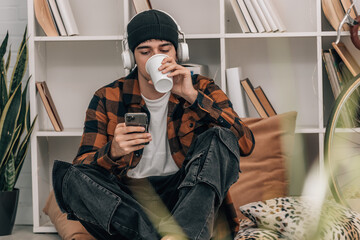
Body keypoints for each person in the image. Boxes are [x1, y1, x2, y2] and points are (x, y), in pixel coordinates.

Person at [52, 9, 255, 240]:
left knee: (220, 136)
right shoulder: (107, 96)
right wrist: (113, 152)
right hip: (130, 203)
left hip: (187, 197)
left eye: (164, 49)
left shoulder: (202, 88)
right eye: (145, 51)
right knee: (69, 177)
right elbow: (83, 167)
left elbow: (245, 143)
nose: (155, 58)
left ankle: (178, 232)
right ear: (131, 57)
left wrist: (192, 97)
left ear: (178, 53)